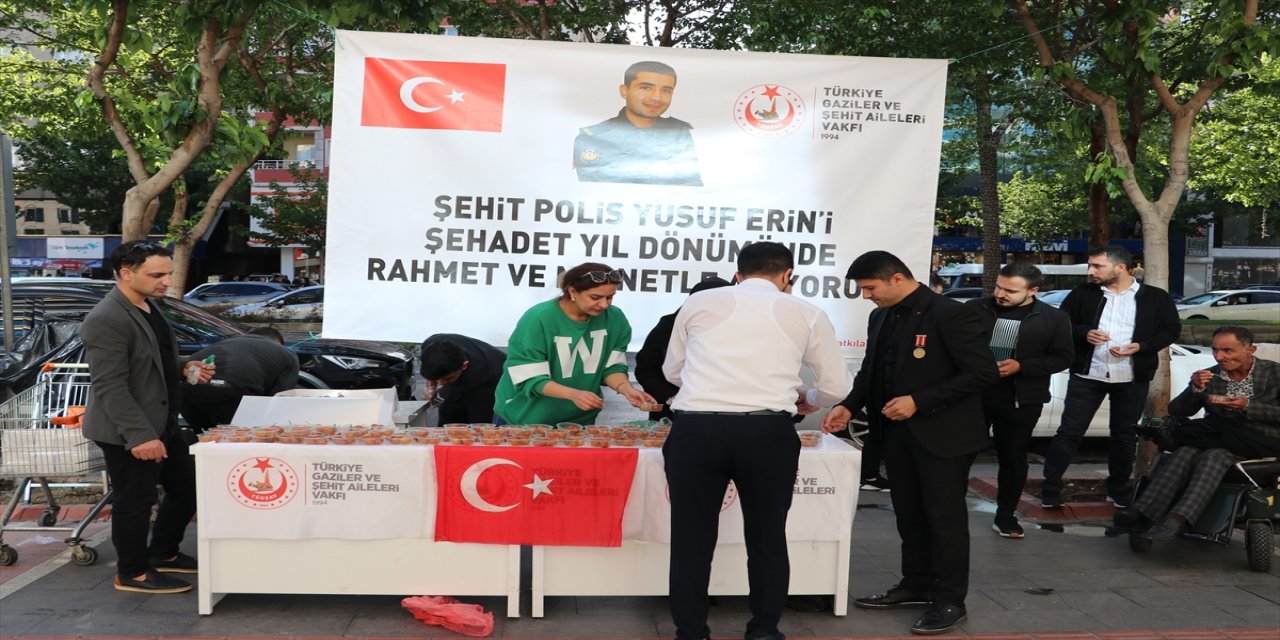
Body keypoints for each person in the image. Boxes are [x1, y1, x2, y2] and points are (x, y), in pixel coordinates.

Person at [662, 242, 852, 640]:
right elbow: (835, 386)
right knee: (767, 537)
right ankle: (763, 630)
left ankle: (690, 632)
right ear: (787, 275)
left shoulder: (698, 304)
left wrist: (712, 385)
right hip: (766, 433)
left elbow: (673, 371)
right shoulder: (806, 311)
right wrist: (809, 398)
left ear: (738, 272)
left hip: (696, 430)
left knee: (690, 538)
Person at [821, 250, 997, 635]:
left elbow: (982, 374)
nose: (866, 296)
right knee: (909, 516)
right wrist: (848, 406)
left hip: (944, 435)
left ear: (897, 278)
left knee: (944, 520)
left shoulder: (950, 313)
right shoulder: (880, 315)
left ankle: (950, 600)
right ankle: (916, 584)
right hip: (895, 435)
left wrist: (920, 401)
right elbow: (872, 371)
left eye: (870, 287)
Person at [80, 240, 215, 594]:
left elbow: (151, 358)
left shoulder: (147, 307)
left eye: (168, 273)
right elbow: (110, 385)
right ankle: (132, 573)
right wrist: (139, 436)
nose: (165, 281)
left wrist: (187, 365)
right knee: (135, 501)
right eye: (156, 274)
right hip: (129, 429)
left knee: (187, 488)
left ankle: (164, 553)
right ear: (127, 273)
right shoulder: (106, 318)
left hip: (163, 421)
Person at [1040, 245, 1181, 509]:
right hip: (1088, 373)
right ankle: (1050, 488)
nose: (1091, 271)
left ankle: (1118, 489)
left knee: (1124, 435)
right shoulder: (1083, 294)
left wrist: (1142, 346)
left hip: (1131, 375)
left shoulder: (1155, 297)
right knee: (1069, 432)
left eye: (1097, 266)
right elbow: (1061, 323)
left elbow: (1171, 329)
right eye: (1090, 266)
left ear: (1120, 267)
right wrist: (1085, 333)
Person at [1114, 326, 1280, 540]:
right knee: (1185, 451)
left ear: (1251, 349)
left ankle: (1177, 519)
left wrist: (1248, 406)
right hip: (1218, 437)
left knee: (1212, 456)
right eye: (1215, 350)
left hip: (1259, 439)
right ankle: (1142, 513)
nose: (1220, 357)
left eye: (1228, 351)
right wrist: (1196, 389)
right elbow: (1177, 410)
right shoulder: (1210, 375)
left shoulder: (1274, 373)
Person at [967, 263, 1074, 538]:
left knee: (1013, 458)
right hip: (972, 393)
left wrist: (1022, 366)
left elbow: (1063, 357)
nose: (1001, 294)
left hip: (1021, 398)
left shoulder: (1053, 318)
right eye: (998, 286)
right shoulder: (974, 308)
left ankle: (1005, 516)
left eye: (1010, 290)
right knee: (960, 452)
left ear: (1033, 291)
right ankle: (948, 510)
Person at [492, 262, 657, 425]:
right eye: (595, 297)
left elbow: (612, 367)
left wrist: (625, 388)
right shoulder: (538, 319)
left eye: (610, 297)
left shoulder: (615, 319)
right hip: (524, 419)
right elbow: (529, 378)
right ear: (572, 292)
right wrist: (573, 395)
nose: (604, 304)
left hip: (580, 421)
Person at [573, 60, 702, 186]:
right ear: (624, 91)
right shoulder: (593, 137)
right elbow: (586, 193)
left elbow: (692, 188)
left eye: (666, 90)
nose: (657, 97)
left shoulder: (679, 134)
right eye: (646, 88)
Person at [633, 277, 732, 421]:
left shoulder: (736, 329)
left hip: (723, 411)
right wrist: (672, 398)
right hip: (671, 414)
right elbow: (646, 369)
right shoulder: (669, 326)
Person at [180, 327, 300, 432]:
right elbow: (280, 397)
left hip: (187, 388)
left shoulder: (228, 342)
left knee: (204, 440)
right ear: (278, 343)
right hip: (232, 390)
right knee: (239, 440)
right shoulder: (288, 354)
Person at [419, 333, 507, 424]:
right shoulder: (431, 345)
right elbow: (433, 368)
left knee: (478, 424)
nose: (441, 383)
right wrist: (430, 387)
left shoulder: (484, 375)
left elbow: (480, 422)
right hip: (463, 368)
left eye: (447, 379)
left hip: (492, 380)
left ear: (464, 366)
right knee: (447, 413)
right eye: (437, 379)